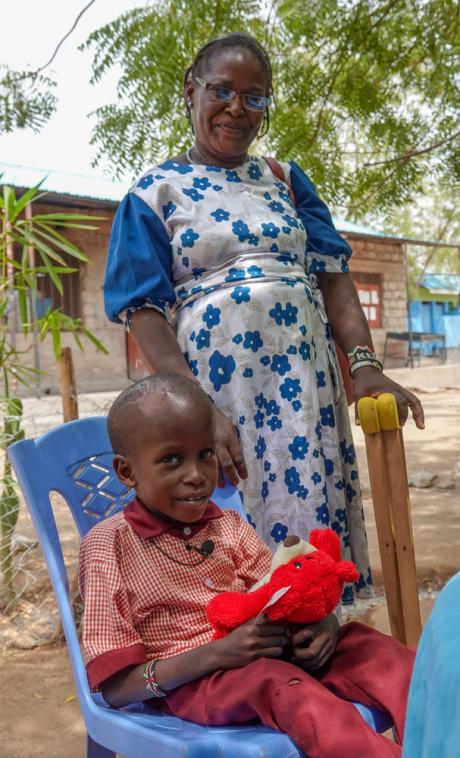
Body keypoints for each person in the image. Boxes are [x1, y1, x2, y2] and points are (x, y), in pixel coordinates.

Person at [103, 32, 424, 603]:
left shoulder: (285, 181)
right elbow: (143, 309)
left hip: (306, 391)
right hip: (217, 394)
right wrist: (196, 405)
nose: (236, 108)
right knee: (236, 515)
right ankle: (250, 660)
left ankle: (323, 645)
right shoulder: (155, 193)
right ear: (190, 92)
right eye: (222, 91)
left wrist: (366, 365)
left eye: (255, 98)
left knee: (313, 524)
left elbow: (333, 277)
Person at [79, 373, 415, 758]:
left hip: (273, 657)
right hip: (195, 682)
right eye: (172, 460)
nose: (195, 475)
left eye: (205, 454)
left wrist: (322, 627)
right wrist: (219, 654)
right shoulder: (110, 545)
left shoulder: (228, 526)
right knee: (282, 686)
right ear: (126, 472)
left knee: (371, 646)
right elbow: (117, 688)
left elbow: (281, 594)